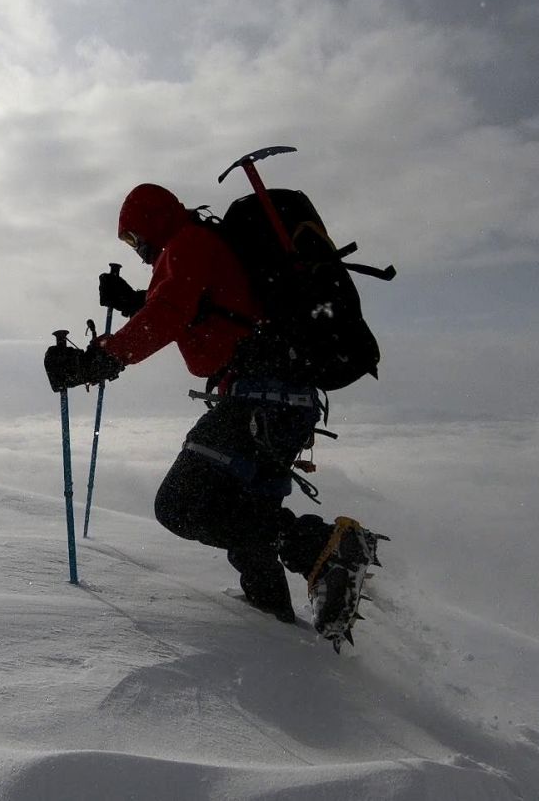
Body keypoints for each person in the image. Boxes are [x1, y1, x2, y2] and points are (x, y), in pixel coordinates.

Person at [45, 183, 380, 645]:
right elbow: (204, 305)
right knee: (245, 518)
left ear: (153, 221)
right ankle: (276, 637)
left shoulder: (186, 244)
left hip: (260, 398)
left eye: (132, 236)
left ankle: (323, 547)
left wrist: (97, 359)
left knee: (182, 506)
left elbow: (169, 313)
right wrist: (131, 300)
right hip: (281, 402)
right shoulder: (197, 247)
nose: (135, 248)